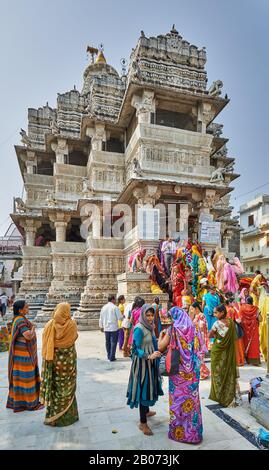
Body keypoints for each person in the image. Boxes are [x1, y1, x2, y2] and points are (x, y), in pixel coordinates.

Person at [158, 306, 205, 444]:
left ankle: (180, 434)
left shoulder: (173, 330)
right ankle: (193, 434)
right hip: (192, 375)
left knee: (178, 401)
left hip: (178, 374)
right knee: (192, 402)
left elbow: (161, 347)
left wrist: (161, 336)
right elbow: (201, 349)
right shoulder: (194, 329)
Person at [126, 304, 163, 436]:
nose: (150, 317)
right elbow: (134, 350)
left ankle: (146, 411)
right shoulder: (139, 329)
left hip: (151, 363)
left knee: (150, 388)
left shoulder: (151, 327)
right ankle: (143, 423)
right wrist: (148, 355)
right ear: (142, 315)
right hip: (142, 365)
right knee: (144, 390)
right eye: (147, 315)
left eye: (152, 315)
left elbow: (152, 342)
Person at [40, 302, 79, 426]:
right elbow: (75, 337)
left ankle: (53, 418)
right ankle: (67, 417)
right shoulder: (72, 325)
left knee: (56, 387)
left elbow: (45, 341)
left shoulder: (49, 325)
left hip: (54, 362)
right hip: (68, 363)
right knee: (68, 386)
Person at [7, 300, 42, 412]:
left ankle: (19, 403)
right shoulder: (21, 320)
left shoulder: (17, 319)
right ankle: (30, 403)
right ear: (20, 310)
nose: (28, 309)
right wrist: (33, 328)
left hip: (18, 354)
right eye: (26, 307)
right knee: (27, 378)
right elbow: (28, 336)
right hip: (23, 355)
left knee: (19, 378)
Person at [209, 304, 237, 407]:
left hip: (217, 351)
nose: (214, 314)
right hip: (228, 352)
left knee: (217, 372)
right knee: (227, 370)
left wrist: (216, 335)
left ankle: (219, 395)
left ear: (222, 312)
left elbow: (209, 335)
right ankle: (228, 393)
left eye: (216, 312)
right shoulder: (231, 322)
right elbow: (234, 337)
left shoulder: (217, 324)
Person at [189, 302, 210, 380]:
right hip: (196, 338)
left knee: (200, 356)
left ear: (196, 308)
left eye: (192, 309)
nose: (191, 310)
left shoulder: (201, 315)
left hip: (201, 338)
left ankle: (203, 373)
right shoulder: (196, 316)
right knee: (198, 356)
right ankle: (202, 372)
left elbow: (203, 326)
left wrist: (195, 325)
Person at [99, 294, 123, 362]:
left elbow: (101, 318)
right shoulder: (115, 307)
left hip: (106, 327)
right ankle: (112, 356)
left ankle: (109, 355)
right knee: (113, 342)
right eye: (114, 299)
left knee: (107, 342)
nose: (115, 300)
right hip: (113, 328)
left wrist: (101, 326)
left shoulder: (103, 307)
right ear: (112, 299)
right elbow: (120, 317)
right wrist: (123, 317)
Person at [239, 296, 261, 366]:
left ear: (246, 301)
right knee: (254, 344)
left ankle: (246, 359)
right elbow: (260, 319)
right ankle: (255, 361)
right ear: (252, 301)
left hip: (245, 329)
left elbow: (240, 319)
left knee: (245, 343)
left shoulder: (242, 308)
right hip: (254, 329)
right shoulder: (256, 309)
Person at [226, 297, 245, 367]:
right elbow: (237, 320)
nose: (234, 303)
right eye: (233, 302)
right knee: (238, 344)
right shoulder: (233, 310)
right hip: (234, 327)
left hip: (228, 327)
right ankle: (239, 360)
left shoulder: (226, 309)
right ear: (230, 303)